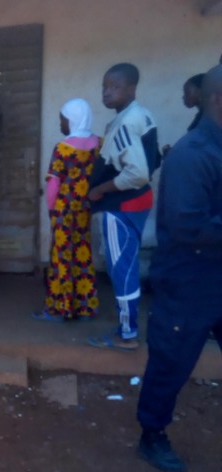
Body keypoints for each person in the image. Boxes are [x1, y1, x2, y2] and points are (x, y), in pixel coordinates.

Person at [136, 65, 222, 472]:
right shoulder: (192, 155)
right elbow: (190, 227)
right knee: (171, 362)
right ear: (217, 100)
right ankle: (152, 435)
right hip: (189, 281)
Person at [87, 63, 161, 351]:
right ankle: (126, 328)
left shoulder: (125, 123)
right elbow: (152, 161)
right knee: (125, 265)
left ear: (131, 88)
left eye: (114, 87)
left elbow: (137, 173)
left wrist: (100, 189)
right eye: (104, 86)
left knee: (123, 270)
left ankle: (127, 334)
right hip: (137, 202)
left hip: (122, 206)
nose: (107, 92)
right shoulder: (142, 115)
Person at [32, 99, 100, 322]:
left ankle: (60, 308)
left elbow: (53, 184)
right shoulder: (98, 144)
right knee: (82, 254)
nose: (60, 123)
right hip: (85, 208)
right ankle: (85, 306)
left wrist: (51, 210)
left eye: (63, 119)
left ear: (72, 120)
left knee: (61, 257)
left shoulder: (63, 148)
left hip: (64, 209)